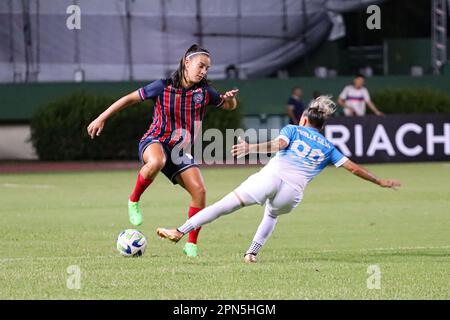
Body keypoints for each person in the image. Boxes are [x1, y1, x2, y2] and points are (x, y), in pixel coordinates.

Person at [156, 96, 401, 263]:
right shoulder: (328, 147)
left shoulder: (293, 129)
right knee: (271, 215)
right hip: (293, 195)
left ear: (304, 119)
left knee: (221, 207)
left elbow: (279, 144)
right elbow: (353, 168)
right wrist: (379, 181)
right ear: (322, 126)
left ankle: (179, 231)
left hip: (271, 177)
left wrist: (251, 148)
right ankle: (251, 253)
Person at [87, 44, 239, 257]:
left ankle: (191, 245)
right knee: (156, 161)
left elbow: (228, 105)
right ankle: (134, 200)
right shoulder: (162, 86)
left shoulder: (204, 93)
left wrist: (230, 99)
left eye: (207, 68)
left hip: (178, 151)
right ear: (187, 62)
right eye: (200, 65)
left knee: (200, 191)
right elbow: (129, 99)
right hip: (154, 141)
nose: (204, 71)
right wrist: (101, 117)